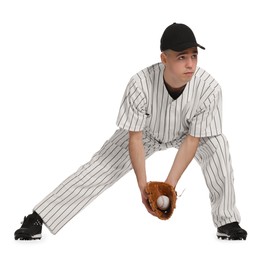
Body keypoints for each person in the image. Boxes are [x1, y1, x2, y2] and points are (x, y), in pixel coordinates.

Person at [14, 23, 247, 241]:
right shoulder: (140, 83)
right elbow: (134, 138)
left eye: (194, 55)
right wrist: (144, 187)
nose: (190, 64)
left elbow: (193, 139)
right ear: (164, 58)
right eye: (181, 57)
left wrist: (170, 185)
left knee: (217, 145)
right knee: (101, 166)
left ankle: (228, 222)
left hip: (187, 134)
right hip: (144, 133)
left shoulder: (209, 88)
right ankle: (39, 217)